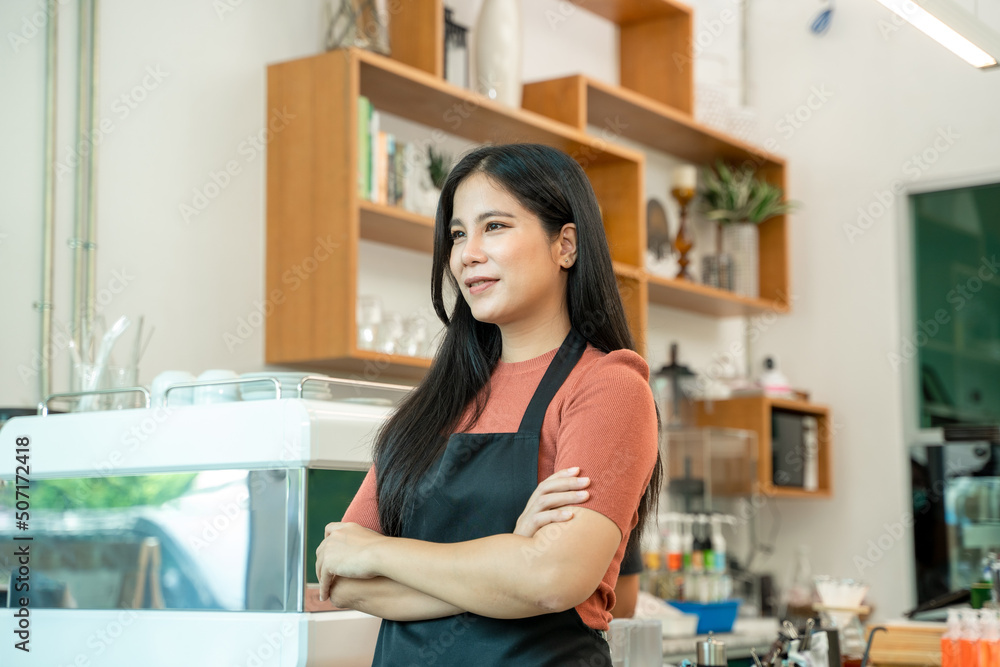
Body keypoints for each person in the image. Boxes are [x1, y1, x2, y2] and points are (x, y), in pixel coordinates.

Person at [315, 143, 663, 665]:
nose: (466, 254)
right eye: (458, 234)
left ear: (565, 245)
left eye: (494, 226)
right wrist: (510, 556)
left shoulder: (608, 385)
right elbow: (341, 578)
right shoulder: (432, 406)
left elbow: (551, 579)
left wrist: (380, 552)